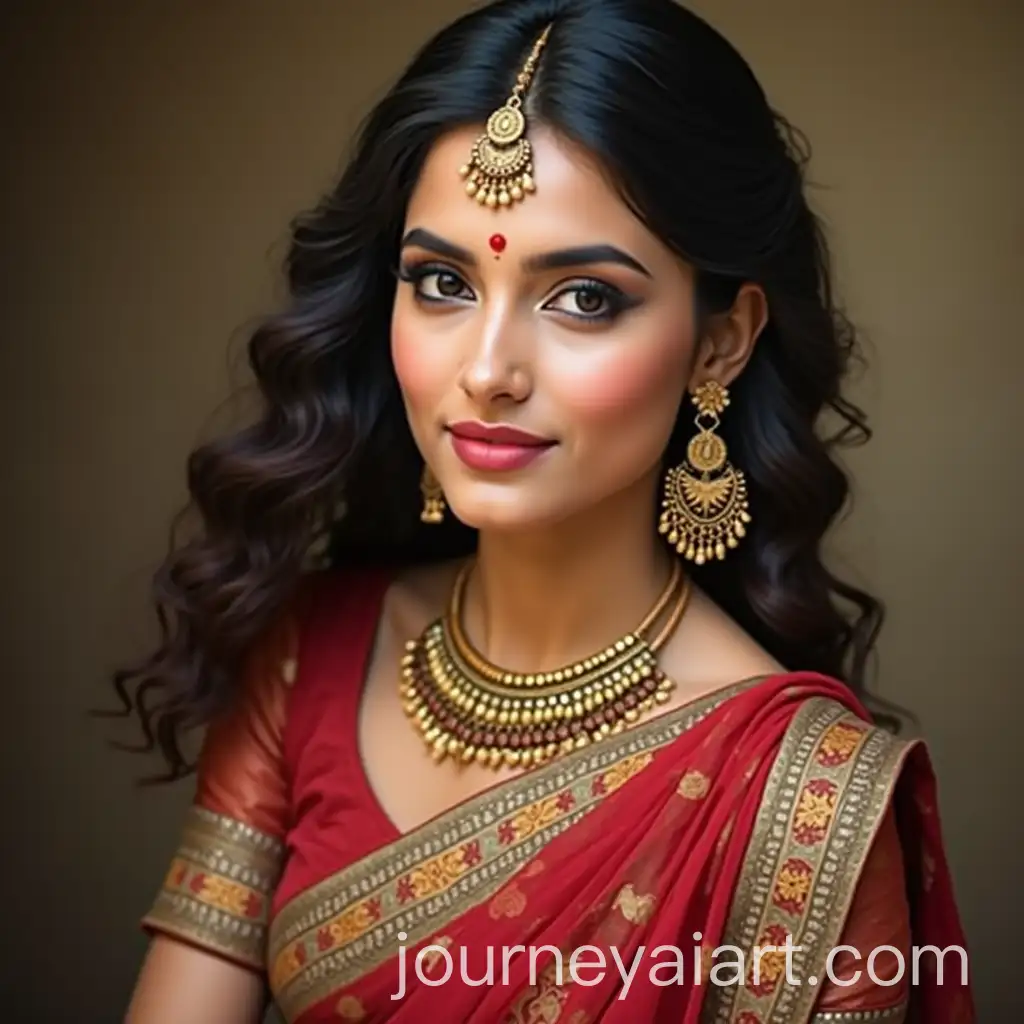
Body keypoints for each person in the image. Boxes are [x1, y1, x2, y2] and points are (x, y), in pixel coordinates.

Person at [116, 1, 973, 1021]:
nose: (485, 371)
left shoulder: (800, 795)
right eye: (440, 281)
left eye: (583, 299)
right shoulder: (308, 658)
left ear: (720, 342)